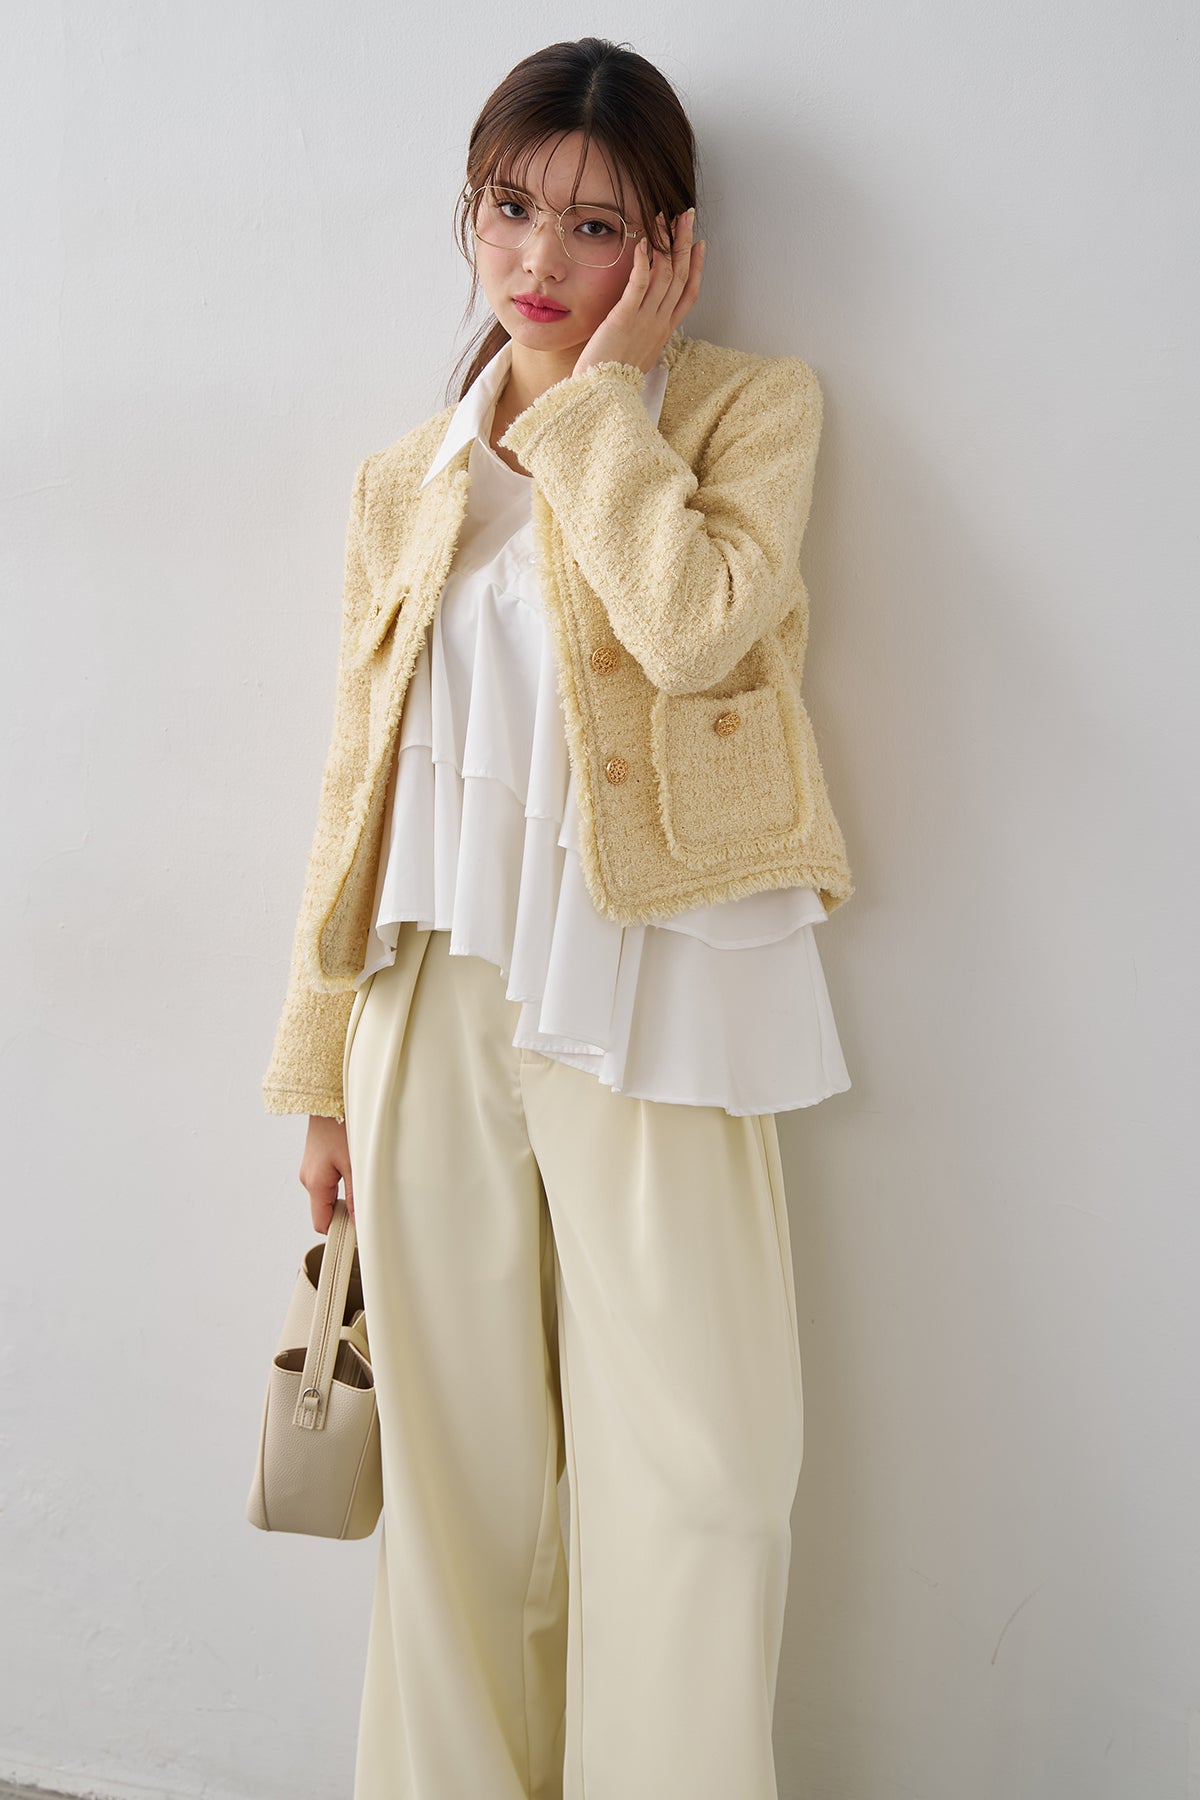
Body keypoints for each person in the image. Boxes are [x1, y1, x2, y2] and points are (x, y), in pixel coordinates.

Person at [261, 35, 854, 1800]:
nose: (537, 259)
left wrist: (600, 403)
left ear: (669, 249)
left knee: (709, 1477)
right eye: (511, 209)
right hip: (424, 998)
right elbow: (355, 786)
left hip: (653, 983)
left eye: (595, 226)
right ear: (471, 210)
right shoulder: (406, 479)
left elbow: (699, 629)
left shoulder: (746, 413)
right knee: (464, 1494)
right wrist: (318, 1070)